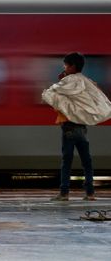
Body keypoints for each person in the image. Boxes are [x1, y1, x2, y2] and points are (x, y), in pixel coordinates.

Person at [42, 52, 111, 201]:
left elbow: (51, 94)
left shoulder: (69, 82)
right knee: (87, 161)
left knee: (67, 161)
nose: (64, 68)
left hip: (69, 127)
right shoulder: (87, 82)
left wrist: (56, 85)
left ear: (72, 66)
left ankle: (64, 193)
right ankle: (90, 193)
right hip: (82, 128)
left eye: (65, 65)